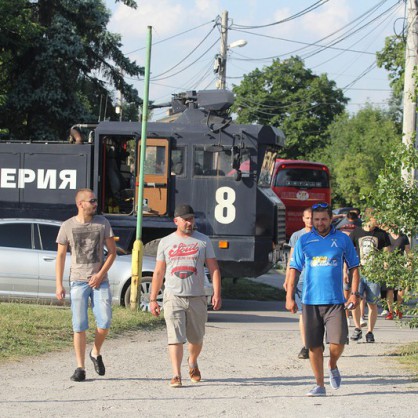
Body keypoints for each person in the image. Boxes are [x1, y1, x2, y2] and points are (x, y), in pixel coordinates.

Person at [286, 202, 360, 397]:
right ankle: (320, 385)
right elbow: (294, 269)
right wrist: (289, 296)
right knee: (314, 345)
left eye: (323, 219)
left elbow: (354, 267)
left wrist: (353, 293)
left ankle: (333, 364)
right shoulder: (304, 240)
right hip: (310, 301)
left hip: (335, 301)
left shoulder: (342, 240)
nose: (319, 223)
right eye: (316, 219)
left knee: (338, 343)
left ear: (331, 219)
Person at [150, 204, 222, 388]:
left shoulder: (203, 241)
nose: (190, 222)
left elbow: (214, 269)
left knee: (196, 339)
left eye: (192, 219)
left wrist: (217, 292)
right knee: (175, 337)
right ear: (176, 221)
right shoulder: (165, 242)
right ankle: (176, 374)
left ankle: (192, 361)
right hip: (173, 296)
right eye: (186, 219)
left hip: (197, 296)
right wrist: (152, 299)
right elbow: (159, 272)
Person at [55, 188, 117, 382]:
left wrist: (100, 274)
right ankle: (80, 367)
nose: (95, 204)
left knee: (105, 322)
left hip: (100, 281)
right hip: (78, 282)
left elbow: (113, 253)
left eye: (95, 200)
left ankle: (95, 352)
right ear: (80, 204)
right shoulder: (67, 226)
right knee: (79, 325)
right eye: (92, 201)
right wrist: (59, 284)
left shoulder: (103, 223)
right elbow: (60, 256)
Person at [349, 208, 390, 343]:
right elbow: (349, 251)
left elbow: (387, 253)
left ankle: (370, 332)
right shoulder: (356, 232)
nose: (379, 222)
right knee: (355, 301)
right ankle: (357, 328)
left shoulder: (382, 234)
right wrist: (346, 269)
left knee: (372, 304)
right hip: (359, 271)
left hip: (374, 272)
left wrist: (385, 266)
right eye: (377, 219)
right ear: (369, 218)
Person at [283, 207, 313, 360]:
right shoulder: (297, 236)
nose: (310, 221)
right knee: (303, 314)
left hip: (318, 281)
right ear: (303, 218)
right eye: (307, 218)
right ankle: (306, 345)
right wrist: (288, 279)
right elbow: (292, 260)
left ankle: (316, 341)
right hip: (302, 281)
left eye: (312, 218)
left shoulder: (323, 235)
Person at [385, 230, 410, 320]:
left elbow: (408, 251)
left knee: (400, 288)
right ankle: (390, 311)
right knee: (389, 289)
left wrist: (409, 264)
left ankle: (398, 309)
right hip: (388, 266)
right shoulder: (386, 236)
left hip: (400, 265)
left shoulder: (403, 237)